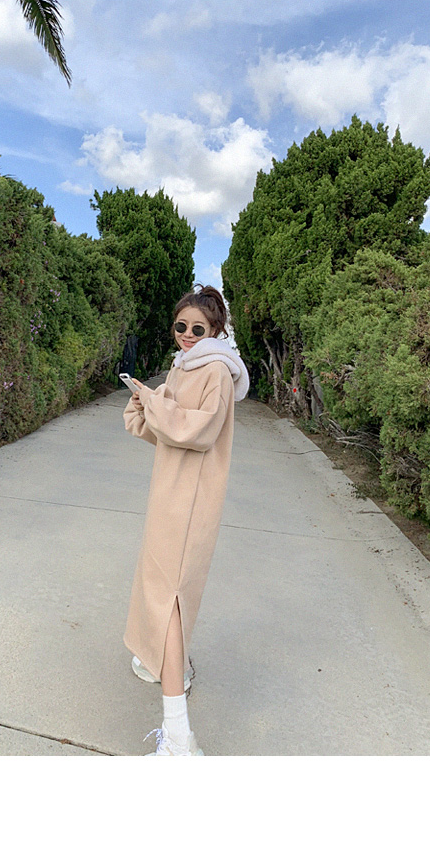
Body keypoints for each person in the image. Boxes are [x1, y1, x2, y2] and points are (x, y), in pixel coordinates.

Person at [123, 280, 249, 754]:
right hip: (170, 493)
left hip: (191, 499)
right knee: (163, 586)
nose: (188, 335)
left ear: (216, 330)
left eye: (199, 328)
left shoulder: (216, 370)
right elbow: (162, 430)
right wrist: (145, 402)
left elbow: (197, 430)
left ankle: (179, 737)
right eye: (181, 326)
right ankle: (170, 661)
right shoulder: (182, 366)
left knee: (169, 595)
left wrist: (157, 404)